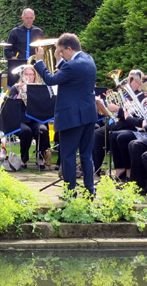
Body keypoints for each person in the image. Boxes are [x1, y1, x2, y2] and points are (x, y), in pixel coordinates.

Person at [34, 33, 97, 195]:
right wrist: (58, 58)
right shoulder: (88, 60)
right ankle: (90, 190)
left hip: (72, 117)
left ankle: (71, 192)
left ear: (69, 48)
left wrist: (39, 61)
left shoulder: (71, 66)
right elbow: (70, 72)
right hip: (89, 115)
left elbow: (51, 80)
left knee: (68, 155)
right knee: (86, 155)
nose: (61, 54)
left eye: (62, 51)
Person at [92, 69, 144, 177]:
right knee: (97, 134)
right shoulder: (126, 94)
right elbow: (111, 113)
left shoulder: (140, 95)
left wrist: (117, 108)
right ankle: (96, 168)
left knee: (113, 134)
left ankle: (121, 168)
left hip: (129, 125)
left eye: (131, 80)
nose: (127, 82)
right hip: (116, 122)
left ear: (139, 82)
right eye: (127, 79)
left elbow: (135, 115)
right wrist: (108, 102)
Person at [8, 65, 50, 169]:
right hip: (20, 119)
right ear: (22, 75)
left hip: (35, 118)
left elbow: (44, 104)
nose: (28, 76)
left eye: (31, 74)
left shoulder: (39, 87)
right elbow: (11, 105)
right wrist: (19, 94)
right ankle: (24, 159)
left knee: (43, 130)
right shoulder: (15, 87)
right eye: (26, 74)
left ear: (35, 75)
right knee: (26, 131)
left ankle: (40, 157)